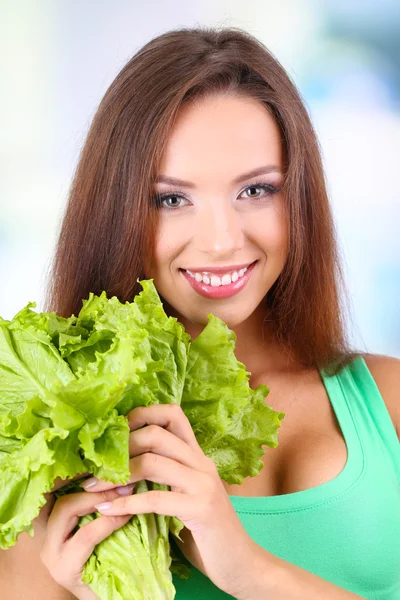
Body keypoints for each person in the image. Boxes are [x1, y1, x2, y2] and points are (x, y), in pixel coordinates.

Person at [2, 25, 399, 600]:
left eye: (256, 190)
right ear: (116, 214)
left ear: (301, 197)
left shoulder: (387, 400)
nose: (220, 240)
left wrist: (247, 569)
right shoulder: (46, 450)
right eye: (171, 199)